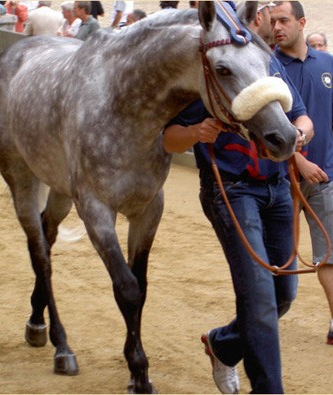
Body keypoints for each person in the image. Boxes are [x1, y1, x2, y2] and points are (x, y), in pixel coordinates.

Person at [163, 2, 314, 393]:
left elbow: (300, 114)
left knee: (283, 293)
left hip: (278, 188)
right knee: (260, 298)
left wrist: (301, 132)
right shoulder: (209, 67)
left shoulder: (264, 62)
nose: (258, 17)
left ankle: (224, 345)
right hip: (231, 189)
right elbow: (168, 138)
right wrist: (197, 132)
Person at [272, 1, 333, 347]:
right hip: (278, 181)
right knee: (279, 258)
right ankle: (261, 322)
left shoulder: (328, 65)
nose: (278, 27)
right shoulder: (267, 66)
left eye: (284, 20)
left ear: (301, 23)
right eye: (274, 21)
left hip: (326, 176)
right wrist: (297, 161)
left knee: (330, 254)